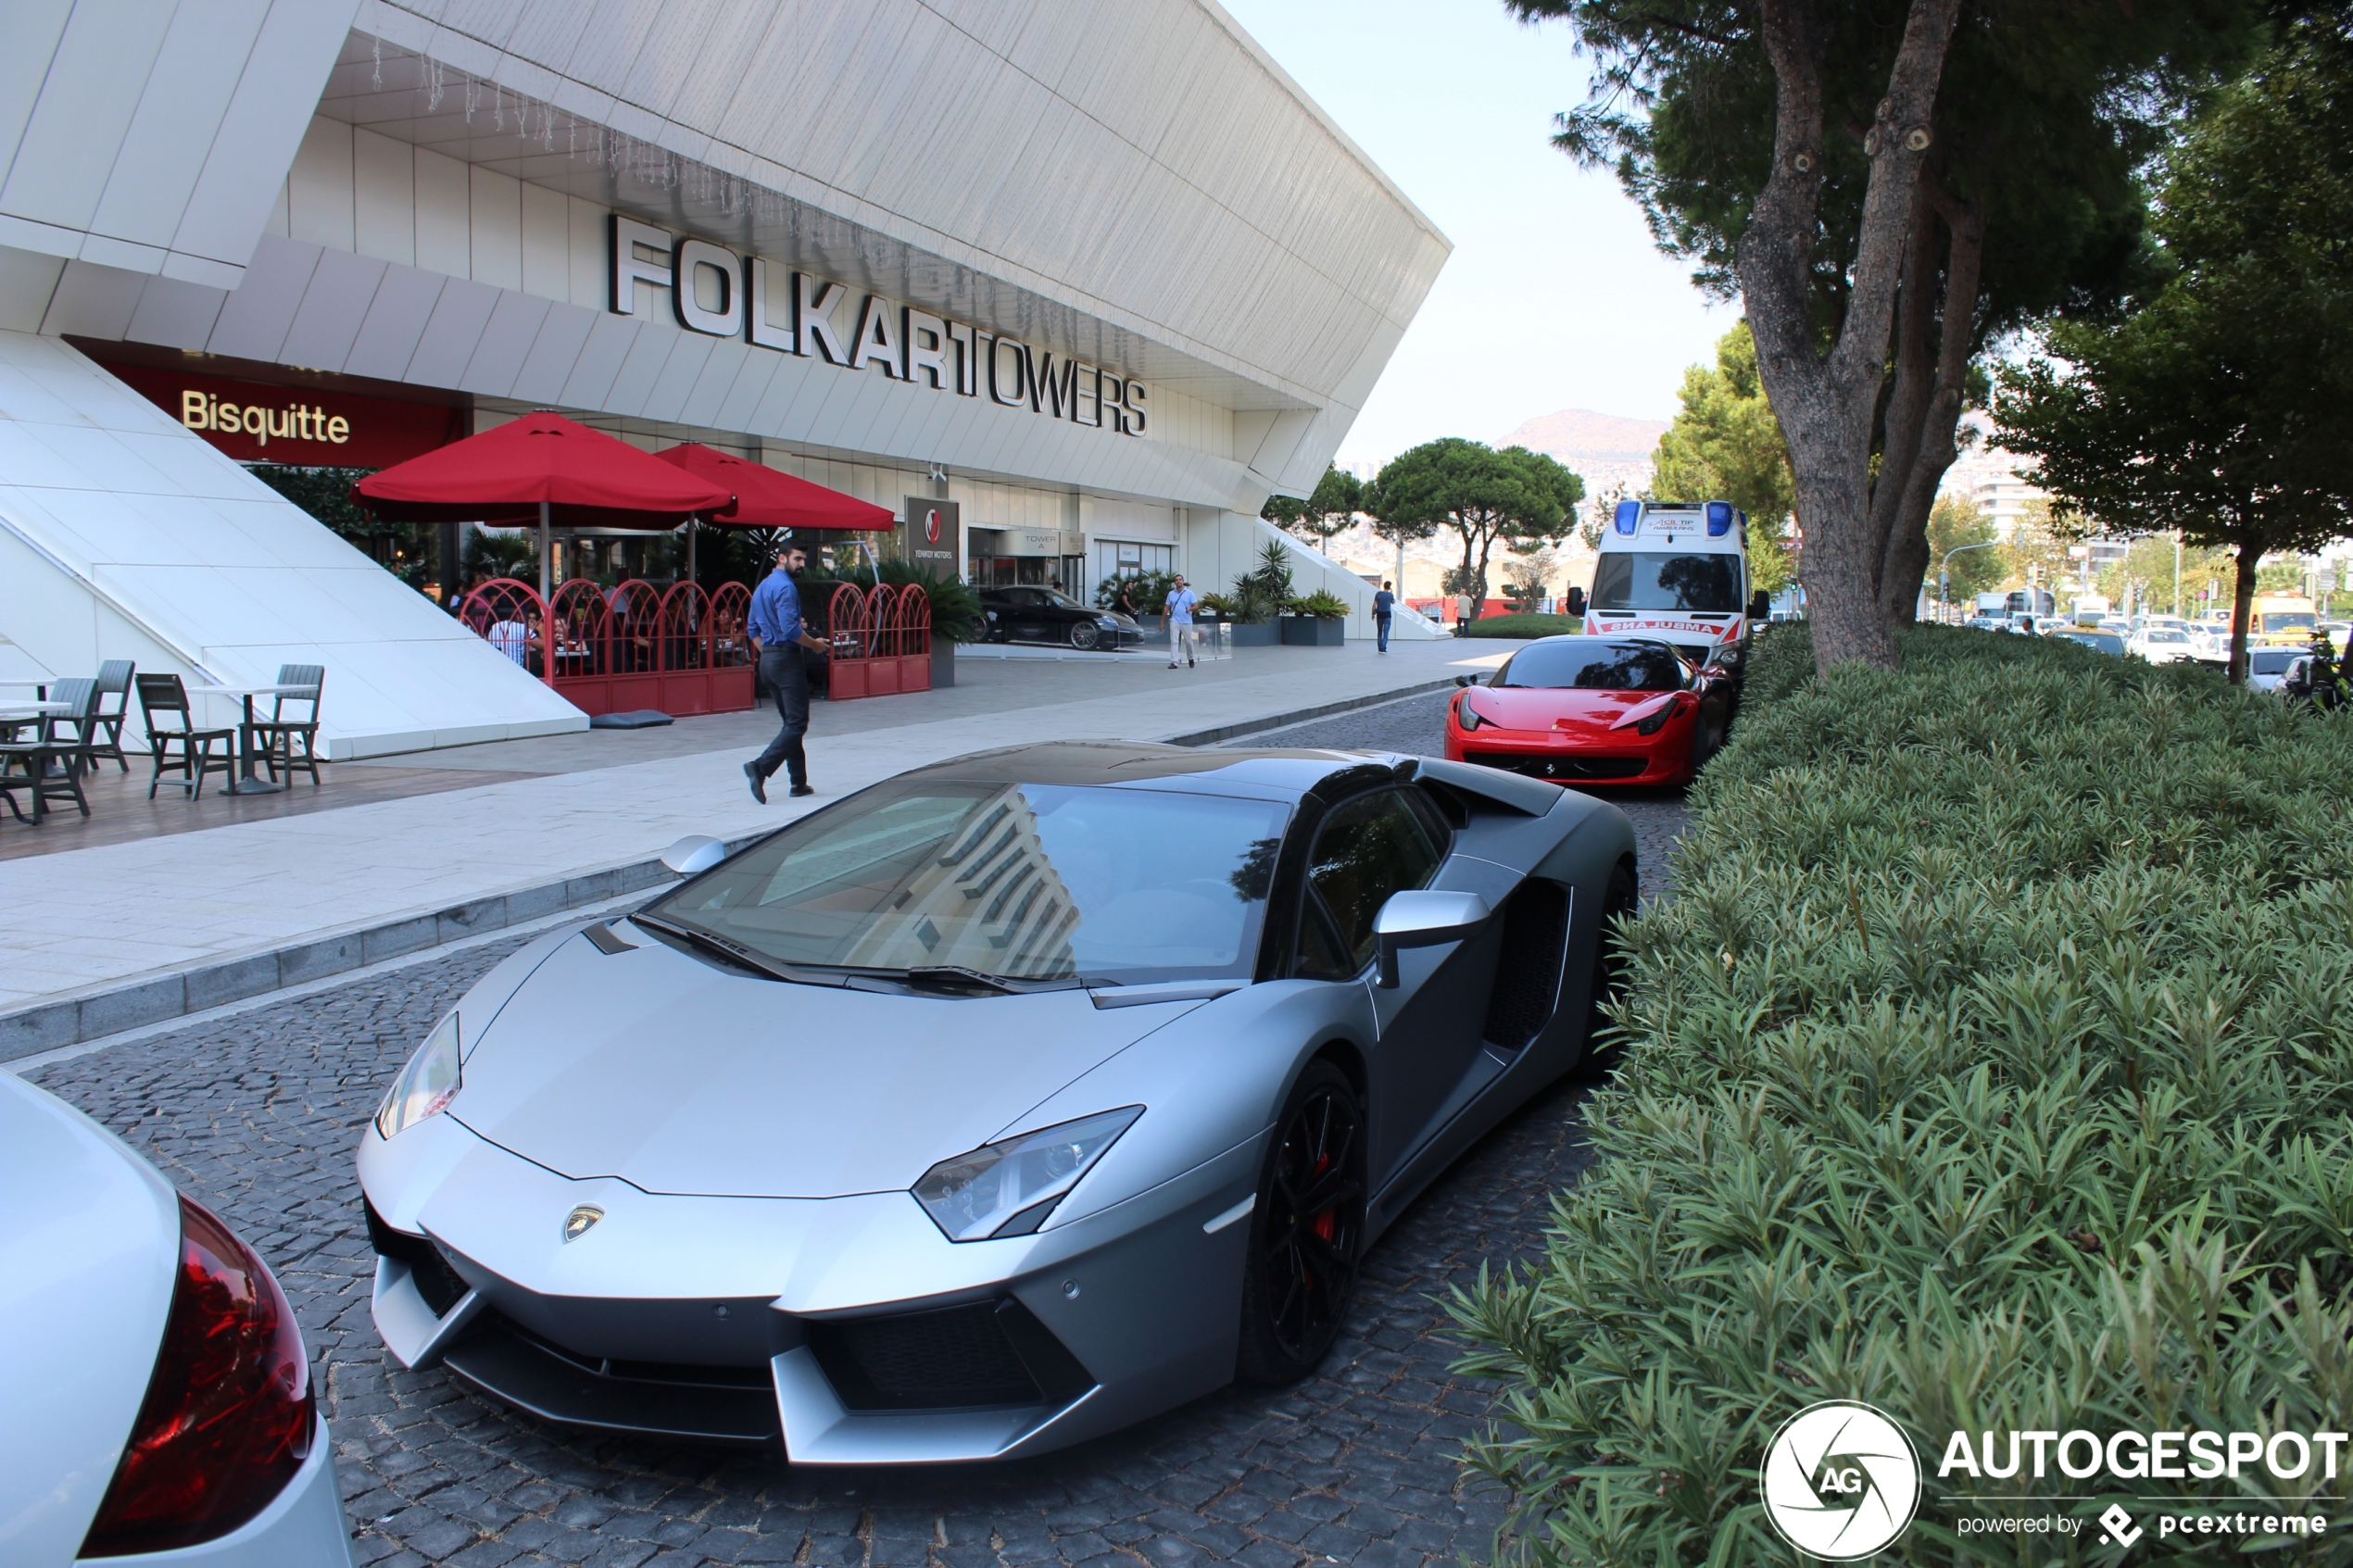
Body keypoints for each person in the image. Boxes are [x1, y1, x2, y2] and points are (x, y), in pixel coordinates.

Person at [744, 545, 829, 803]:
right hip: (786, 660)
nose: (801, 563)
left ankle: (798, 782)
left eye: (803, 559)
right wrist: (815, 645)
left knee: (791, 724)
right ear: (782, 559)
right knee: (797, 723)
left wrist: (769, 652)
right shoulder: (786, 587)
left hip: (768, 660)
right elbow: (791, 630)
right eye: (797, 558)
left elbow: (752, 629)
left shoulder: (762, 588)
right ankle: (760, 767)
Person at [1164, 574, 1200, 668]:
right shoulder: (1171, 594)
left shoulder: (1189, 593)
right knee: (1174, 641)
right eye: (1176, 580)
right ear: (1175, 582)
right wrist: (1162, 620)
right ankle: (1174, 662)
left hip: (1186, 621)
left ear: (1183, 581)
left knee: (1188, 642)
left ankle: (1190, 658)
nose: (1178, 581)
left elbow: (1196, 606)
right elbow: (1167, 607)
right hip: (1174, 620)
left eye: (1180, 579)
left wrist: (1190, 609)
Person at [1373, 579, 1396, 654]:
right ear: (1389, 587)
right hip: (1387, 615)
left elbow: (1374, 604)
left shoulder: (1378, 594)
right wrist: (1391, 593)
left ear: (1384, 586)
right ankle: (1383, 648)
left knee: (1379, 631)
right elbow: (1393, 602)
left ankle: (1380, 648)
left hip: (1379, 614)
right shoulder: (1390, 595)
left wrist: (1372, 613)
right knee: (1386, 632)